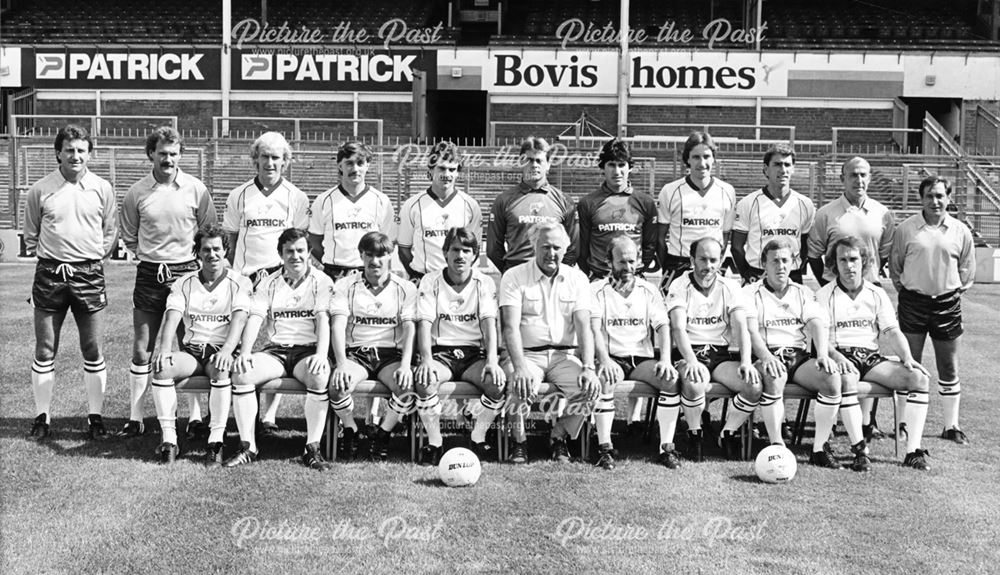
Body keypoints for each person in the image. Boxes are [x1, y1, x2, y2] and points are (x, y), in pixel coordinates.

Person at [117, 126, 217, 439]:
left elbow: (207, 229)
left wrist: (187, 264)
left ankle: (196, 415)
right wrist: (151, 257)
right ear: (151, 154)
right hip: (150, 274)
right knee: (142, 347)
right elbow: (129, 235)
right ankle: (136, 417)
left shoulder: (196, 189)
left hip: (187, 274)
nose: (168, 159)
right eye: (162, 154)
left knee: (191, 343)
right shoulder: (137, 192)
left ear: (180, 155)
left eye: (173, 154)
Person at [22, 124, 117, 440]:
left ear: (90, 153)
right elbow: (32, 234)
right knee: (46, 348)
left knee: (92, 347)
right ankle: (42, 417)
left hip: (89, 275)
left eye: (81, 150)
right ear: (58, 153)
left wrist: (90, 261)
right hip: (50, 276)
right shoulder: (40, 189)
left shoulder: (102, 188)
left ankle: (95, 417)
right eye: (69, 150)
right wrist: (56, 261)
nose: (75, 156)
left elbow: (110, 231)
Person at [817, 236, 933, 471]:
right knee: (847, 379)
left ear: (864, 261)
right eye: (843, 260)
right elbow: (818, 339)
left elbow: (891, 331)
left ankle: (912, 451)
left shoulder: (876, 293)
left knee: (918, 378)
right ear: (834, 264)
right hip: (839, 356)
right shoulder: (823, 294)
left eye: (853, 259)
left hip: (870, 358)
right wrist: (838, 358)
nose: (849, 266)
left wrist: (907, 358)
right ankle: (860, 451)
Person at [224, 228, 335, 470]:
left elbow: (324, 320)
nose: (295, 256)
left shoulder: (322, 281)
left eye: (300, 251)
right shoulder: (269, 282)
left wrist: (320, 354)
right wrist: (245, 352)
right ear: (280, 254)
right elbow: (255, 318)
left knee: (319, 375)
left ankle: (312, 448)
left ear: (309, 253)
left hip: (307, 351)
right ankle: (248, 447)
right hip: (277, 351)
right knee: (242, 372)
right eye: (289, 252)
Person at [222, 131, 310, 436]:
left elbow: (298, 243)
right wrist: (240, 275)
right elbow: (231, 238)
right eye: (265, 156)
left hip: (281, 278)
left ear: (285, 161)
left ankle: (269, 416)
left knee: (282, 340)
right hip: (246, 278)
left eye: (276, 157)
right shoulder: (239, 194)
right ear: (254, 159)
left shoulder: (297, 197)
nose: (270, 162)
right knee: (234, 343)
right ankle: (220, 415)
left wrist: (278, 273)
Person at [807, 156, 896, 440]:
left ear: (869, 178)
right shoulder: (827, 213)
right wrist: (829, 284)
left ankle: (868, 421)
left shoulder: (882, 214)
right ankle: (832, 419)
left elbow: (883, 254)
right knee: (835, 354)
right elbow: (813, 253)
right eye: (853, 175)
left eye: (864, 175)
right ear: (842, 178)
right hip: (835, 295)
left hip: (869, 293)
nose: (859, 180)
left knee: (867, 351)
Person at [148, 226, 252, 464]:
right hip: (193, 352)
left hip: (221, 350)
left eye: (217, 249)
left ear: (226, 251)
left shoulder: (240, 282)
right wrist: (164, 349)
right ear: (197, 253)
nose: (212, 254)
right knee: (162, 368)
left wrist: (227, 350)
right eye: (206, 249)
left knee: (221, 369)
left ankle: (215, 442)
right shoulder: (184, 283)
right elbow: (172, 317)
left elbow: (239, 320)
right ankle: (169, 442)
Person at [499, 221, 600, 464]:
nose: (550, 253)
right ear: (533, 246)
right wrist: (520, 367)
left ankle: (558, 436)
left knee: (591, 388)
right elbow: (510, 327)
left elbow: (583, 326)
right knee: (518, 383)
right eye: (545, 247)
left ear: (565, 250)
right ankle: (519, 442)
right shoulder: (514, 276)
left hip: (563, 357)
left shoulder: (578, 279)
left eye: (556, 247)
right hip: (526, 355)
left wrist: (588, 367)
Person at [889, 176, 975, 445]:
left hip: (947, 304)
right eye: (929, 195)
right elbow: (896, 267)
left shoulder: (960, 230)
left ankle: (951, 425)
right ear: (921, 198)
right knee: (909, 363)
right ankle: (902, 424)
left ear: (949, 198)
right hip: (913, 302)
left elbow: (967, 269)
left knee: (948, 366)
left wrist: (950, 291)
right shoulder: (906, 229)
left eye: (940, 195)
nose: (935, 201)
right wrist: (911, 290)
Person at [743, 238, 841, 468]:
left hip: (797, 356)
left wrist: (823, 354)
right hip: (766, 354)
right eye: (774, 261)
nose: (781, 266)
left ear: (794, 263)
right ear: (763, 264)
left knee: (831, 379)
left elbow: (817, 322)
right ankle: (778, 446)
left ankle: (819, 447)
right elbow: (750, 331)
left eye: (785, 260)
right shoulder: (749, 292)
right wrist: (766, 356)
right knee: (774, 375)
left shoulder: (803, 292)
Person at [413, 227, 506, 464]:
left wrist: (493, 361)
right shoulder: (430, 280)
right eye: (455, 249)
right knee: (424, 381)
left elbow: (489, 324)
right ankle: (435, 443)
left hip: (473, 354)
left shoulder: (484, 282)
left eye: (466, 250)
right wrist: (425, 360)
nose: (460, 256)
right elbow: (424, 324)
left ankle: (478, 436)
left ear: (475, 255)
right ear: (445, 253)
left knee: (496, 383)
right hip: (440, 354)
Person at [665, 237, 760, 461]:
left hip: (719, 355)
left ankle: (728, 433)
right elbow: (678, 329)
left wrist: (746, 361)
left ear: (720, 262)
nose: (708, 266)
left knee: (753, 386)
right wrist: (691, 360)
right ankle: (695, 434)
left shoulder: (730, 286)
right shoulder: (680, 285)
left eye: (713, 260)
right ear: (692, 260)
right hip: (690, 351)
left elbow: (740, 326)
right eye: (703, 259)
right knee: (694, 381)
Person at [328, 232, 417, 461]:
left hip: (390, 355)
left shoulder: (405, 287)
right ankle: (351, 430)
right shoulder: (345, 285)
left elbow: (409, 328)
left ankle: (383, 434)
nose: (375, 261)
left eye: (381, 255)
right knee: (337, 386)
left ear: (391, 256)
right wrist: (341, 364)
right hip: (357, 354)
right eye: (369, 255)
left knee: (406, 388)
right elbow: (337, 326)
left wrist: (406, 365)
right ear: (361, 255)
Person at [591, 235, 678, 470]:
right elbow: (595, 329)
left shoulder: (649, 290)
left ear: (638, 261)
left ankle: (666, 449)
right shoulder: (597, 290)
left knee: (670, 379)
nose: (627, 268)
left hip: (641, 360)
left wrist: (667, 360)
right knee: (604, 379)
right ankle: (605, 449)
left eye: (632, 261)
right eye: (621, 262)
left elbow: (663, 326)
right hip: (613, 359)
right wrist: (605, 360)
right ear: (609, 262)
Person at [656, 131, 736, 291]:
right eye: (696, 157)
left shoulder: (727, 191)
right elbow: (660, 237)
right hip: (678, 264)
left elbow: (725, 234)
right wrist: (670, 265)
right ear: (687, 159)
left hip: (711, 265)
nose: (702, 163)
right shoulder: (670, 191)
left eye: (706, 156)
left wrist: (716, 261)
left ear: (714, 158)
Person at [487, 137, 578, 274]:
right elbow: (493, 249)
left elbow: (574, 248)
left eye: (539, 160)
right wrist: (511, 272)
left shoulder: (565, 201)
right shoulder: (503, 201)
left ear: (548, 164)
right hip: (517, 277)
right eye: (529, 160)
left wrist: (555, 271)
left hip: (552, 277)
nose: (534, 165)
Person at [309, 141, 397, 282]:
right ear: (340, 166)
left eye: (360, 163)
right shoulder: (323, 200)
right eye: (349, 163)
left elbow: (388, 241)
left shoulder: (382, 201)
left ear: (367, 165)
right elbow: (314, 242)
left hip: (369, 271)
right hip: (334, 272)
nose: (355, 169)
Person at [398, 141, 482, 282]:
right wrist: (416, 276)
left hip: (456, 281)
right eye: (441, 168)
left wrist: (459, 274)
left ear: (457, 173)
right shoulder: (412, 205)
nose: (446, 174)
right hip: (424, 280)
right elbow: (403, 249)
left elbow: (475, 249)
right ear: (431, 170)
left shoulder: (471, 206)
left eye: (452, 170)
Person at [731, 144, 815, 285]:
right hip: (757, 275)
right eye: (777, 164)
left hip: (791, 276)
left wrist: (795, 267)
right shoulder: (748, 203)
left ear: (793, 169)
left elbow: (806, 245)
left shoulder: (805, 204)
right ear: (766, 169)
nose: (783, 170)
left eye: (787, 165)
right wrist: (747, 274)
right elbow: (736, 247)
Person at [577, 138, 658, 281]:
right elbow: (583, 249)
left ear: (630, 167)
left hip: (633, 279)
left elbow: (650, 245)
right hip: (599, 279)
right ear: (603, 167)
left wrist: (637, 269)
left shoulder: (645, 203)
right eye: (611, 165)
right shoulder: (587, 203)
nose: (617, 171)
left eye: (622, 165)